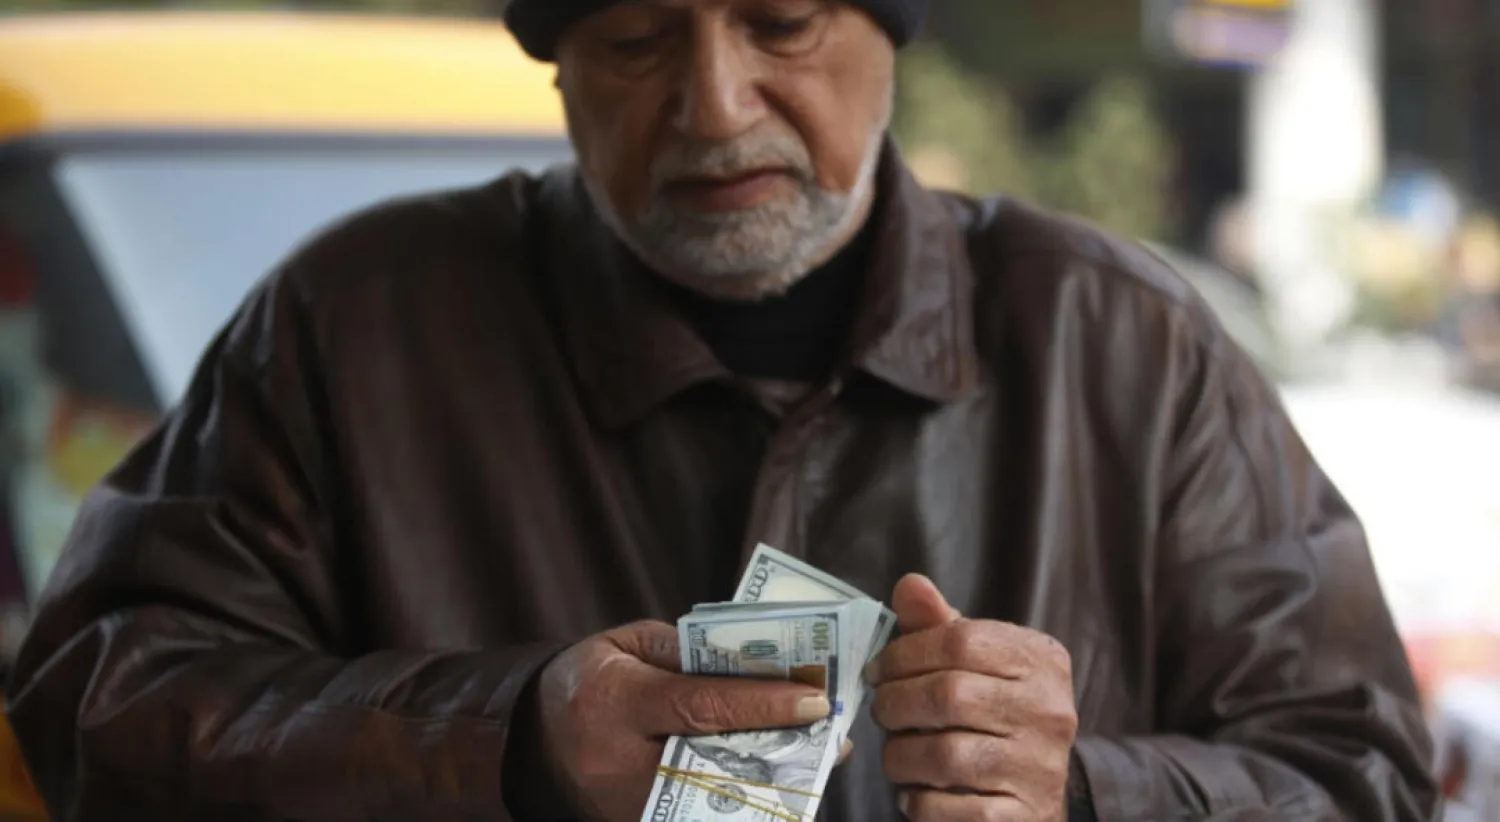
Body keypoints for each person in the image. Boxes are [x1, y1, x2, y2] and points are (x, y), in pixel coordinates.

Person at [6, 1, 1438, 820]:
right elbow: (96, 703)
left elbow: (1363, 775)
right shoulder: (354, 327)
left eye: (782, 20)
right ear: (557, 62)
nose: (713, 100)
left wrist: (1087, 795)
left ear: (893, 32)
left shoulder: (1124, 344)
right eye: (635, 33)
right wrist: (505, 734)